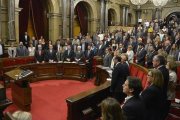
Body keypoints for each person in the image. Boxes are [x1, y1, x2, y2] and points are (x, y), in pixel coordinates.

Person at [153, 55, 169, 119]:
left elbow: (156, 85)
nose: (152, 62)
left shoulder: (160, 71)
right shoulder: (163, 69)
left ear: (158, 62)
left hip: (159, 97)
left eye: (153, 61)